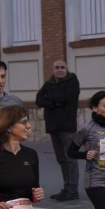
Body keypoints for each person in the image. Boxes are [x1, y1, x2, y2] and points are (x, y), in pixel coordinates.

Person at [36, 60, 81, 201]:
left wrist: (50, 99)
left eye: (62, 67)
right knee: (61, 159)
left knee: (70, 159)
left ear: (66, 69)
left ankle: (73, 189)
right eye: (57, 67)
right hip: (53, 127)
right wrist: (54, 102)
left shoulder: (72, 82)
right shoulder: (49, 83)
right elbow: (39, 99)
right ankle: (66, 187)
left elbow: (65, 97)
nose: (60, 70)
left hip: (67, 127)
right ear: (53, 70)